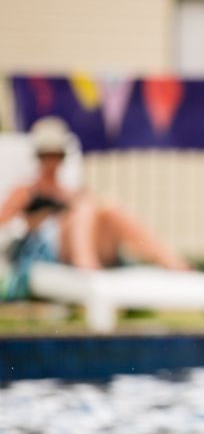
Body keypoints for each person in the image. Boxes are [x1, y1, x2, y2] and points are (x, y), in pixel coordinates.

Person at [0, 117, 188, 300]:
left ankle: (174, 264)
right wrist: (38, 218)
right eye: (47, 156)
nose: (52, 162)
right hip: (47, 248)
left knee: (111, 209)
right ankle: (87, 267)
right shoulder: (27, 191)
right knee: (86, 208)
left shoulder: (72, 192)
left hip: (83, 242)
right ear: (39, 157)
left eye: (56, 155)